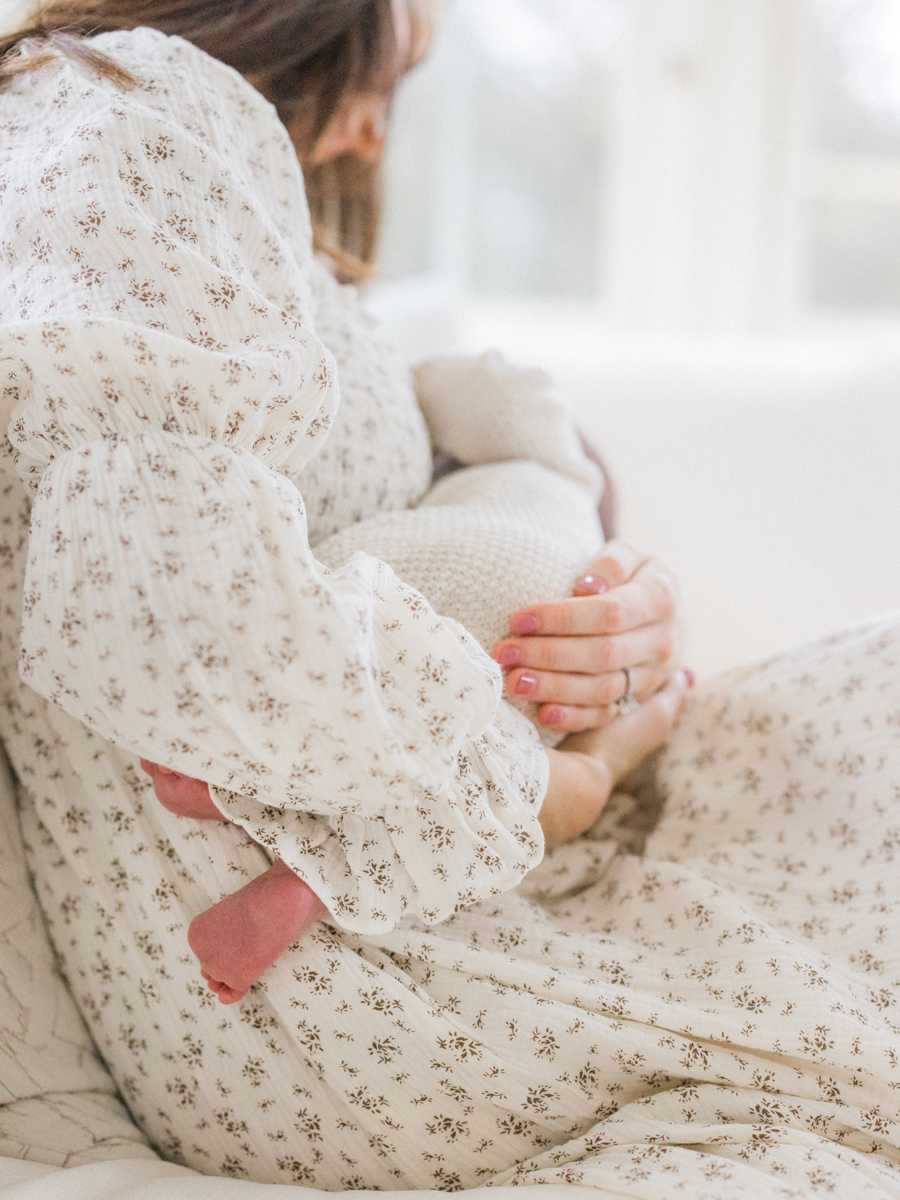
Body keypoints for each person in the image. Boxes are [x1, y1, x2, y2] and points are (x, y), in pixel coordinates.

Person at [4, 4, 900, 1199]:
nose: (372, 136)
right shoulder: (126, 110)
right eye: (394, 68)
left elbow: (454, 534)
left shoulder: (212, 201)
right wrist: (573, 778)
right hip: (356, 980)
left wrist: (628, 624)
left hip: (440, 886)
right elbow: (198, 637)